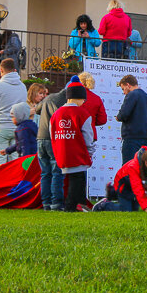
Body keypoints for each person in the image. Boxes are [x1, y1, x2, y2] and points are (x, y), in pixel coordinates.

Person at [50, 78, 96, 212]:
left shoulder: (56, 114)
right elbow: (88, 137)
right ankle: (71, 207)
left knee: (65, 180)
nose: (84, 102)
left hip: (62, 153)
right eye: (83, 99)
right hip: (78, 154)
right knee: (77, 181)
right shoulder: (82, 113)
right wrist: (91, 151)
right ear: (79, 97)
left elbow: (52, 133)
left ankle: (77, 205)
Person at [94, 148, 147, 212]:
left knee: (134, 211)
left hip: (133, 188)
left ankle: (112, 192)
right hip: (123, 186)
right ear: (146, 163)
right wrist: (146, 207)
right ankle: (103, 205)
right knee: (126, 210)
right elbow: (137, 188)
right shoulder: (133, 167)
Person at [0, 58, 28, 163]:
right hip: (17, 128)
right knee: (16, 160)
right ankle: (16, 179)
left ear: (1, 70)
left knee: (0, 160)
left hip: (1, 127)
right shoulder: (22, 87)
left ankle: (2, 180)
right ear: (15, 70)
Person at [36, 86, 66, 211]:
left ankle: (46, 203)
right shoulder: (63, 101)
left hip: (40, 138)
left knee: (45, 173)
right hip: (52, 138)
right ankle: (56, 202)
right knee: (56, 171)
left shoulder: (48, 98)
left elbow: (37, 109)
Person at [115, 74, 147, 165]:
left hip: (132, 137)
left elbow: (124, 114)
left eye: (123, 89)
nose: (124, 92)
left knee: (128, 167)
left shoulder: (132, 95)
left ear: (128, 85)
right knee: (141, 168)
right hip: (146, 138)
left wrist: (118, 117)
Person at [77, 72, 108, 140]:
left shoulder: (74, 97)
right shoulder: (97, 98)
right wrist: (92, 122)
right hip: (90, 133)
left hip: (75, 133)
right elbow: (102, 120)